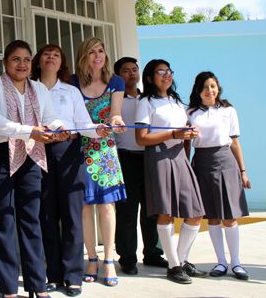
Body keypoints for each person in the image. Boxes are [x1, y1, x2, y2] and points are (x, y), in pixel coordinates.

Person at [0, 40, 63, 298]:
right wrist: (31, 130)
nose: (22, 64)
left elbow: (50, 118)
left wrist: (57, 128)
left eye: (27, 59)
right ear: (5, 62)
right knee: (2, 220)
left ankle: (38, 285)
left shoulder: (39, 88)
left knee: (31, 220)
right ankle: (8, 289)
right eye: (16, 59)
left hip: (30, 154)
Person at [31, 44, 108, 296]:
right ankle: (52, 274)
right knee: (47, 215)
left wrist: (98, 129)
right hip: (38, 153)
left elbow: (83, 124)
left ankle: (73, 275)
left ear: (61, 62)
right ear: (38, 61)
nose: (51, 58)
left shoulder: (71, 91)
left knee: (73, 216)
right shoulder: (30, 88)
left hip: (69, 153)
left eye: (56, 55)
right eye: (46, 54)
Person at [134, 59, 206, 284]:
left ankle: (180, 260)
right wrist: (173, 134)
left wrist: (187, 135)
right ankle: (174, 266)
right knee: (166, 212)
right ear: (149, 78)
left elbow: (182, 131)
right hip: (158, 157)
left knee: (195, 212)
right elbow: (141, 138)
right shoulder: (146, 102)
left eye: (169, 71)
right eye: (161, 72)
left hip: (179, 157)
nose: (167, 75)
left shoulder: (176, 101)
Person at [70, 37, 126, 287]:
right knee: (84, 206)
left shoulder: (116, 82)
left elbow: (115, 113)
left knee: (106, 206)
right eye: (92, 52)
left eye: (101, 51)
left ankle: (109, 260)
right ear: (84, 56)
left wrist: (116, 121)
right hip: (79, 150)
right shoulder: (72, 82)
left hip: (105, 150)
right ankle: (90, 258)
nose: (98, 56)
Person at [187, 71, 251, 281]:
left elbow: (234, 141)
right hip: (202, 164)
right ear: (198, 90)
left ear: (218, 88)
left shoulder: (228, 110)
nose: (209, 90)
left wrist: (243, 171)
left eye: (213, 86)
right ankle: (221, 262)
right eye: (205, 87)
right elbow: (186, 143)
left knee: (230, 217)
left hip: (226, 162)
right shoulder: (191, 113)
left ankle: (236, 262)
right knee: (212, 217)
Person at [113, 57, 167, 275]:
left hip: (150, 157)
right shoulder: (115, 99)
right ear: (118, 75)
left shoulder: (149, 98)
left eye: (134, 69)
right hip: (125, 158)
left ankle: (153, 253)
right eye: (125, 71)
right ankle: (127, 258)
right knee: (126, 211)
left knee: (152, 209)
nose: (131, 74)